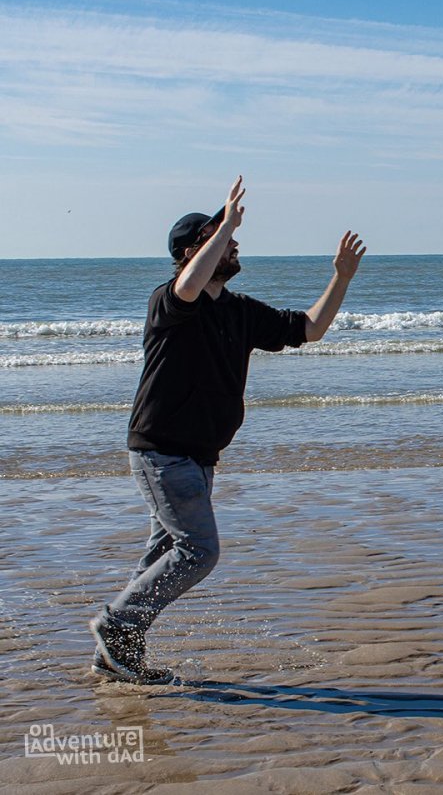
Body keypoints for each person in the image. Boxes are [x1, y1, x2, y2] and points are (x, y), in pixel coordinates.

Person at [89, 176, 366, 684]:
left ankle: (118, 653)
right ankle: (117, 625)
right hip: (162, 450)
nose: (235, 242)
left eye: (233, 236)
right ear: (193, 250)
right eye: (221, 237)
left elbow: (308, 328)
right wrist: (226, 222)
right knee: (199, 551)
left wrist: (342, 277)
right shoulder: (170, 300)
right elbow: (189, 286)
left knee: (163, 555)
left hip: (199, 456)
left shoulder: (240, 311)